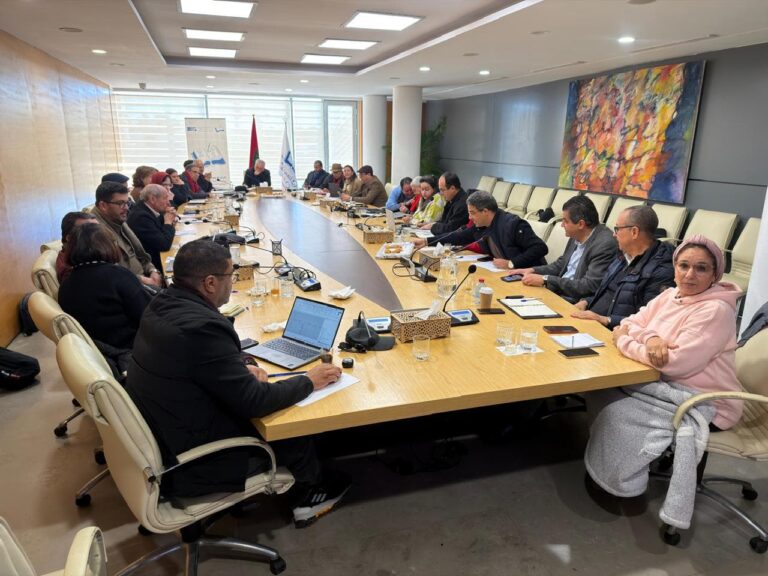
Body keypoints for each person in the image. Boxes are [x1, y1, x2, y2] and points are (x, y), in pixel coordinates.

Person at [126, 239, 351, 527]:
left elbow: (206, 359)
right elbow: (256, 401)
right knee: (290, 421)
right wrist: (309, 380)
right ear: (210, 283)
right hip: (197, 460)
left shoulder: (164, 303)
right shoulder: (201, 328)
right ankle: (310, 494)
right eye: (230, 275)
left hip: (167, 431)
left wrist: (242, 364)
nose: (232, 282)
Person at [584, 235, 743, 526]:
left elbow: (675, 363)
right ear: (674, 267)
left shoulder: (716, 310)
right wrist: (652, 338)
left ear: (715, 274)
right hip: (666, 383)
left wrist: (624, 341)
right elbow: (630, 322)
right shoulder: (670, 295)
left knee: (617, 413)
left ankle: (620, 485)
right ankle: (608, 470)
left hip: (706, 400)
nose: (690, 274)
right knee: (600, 390)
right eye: (683, 265)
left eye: (701, 268)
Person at [571, 205, 675, 328]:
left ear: (634, 232)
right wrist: (586, 302)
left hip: (615, 332)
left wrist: (606, 320)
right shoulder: (622, 255)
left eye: (617, 229)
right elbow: (607, 292)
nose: (614, 235)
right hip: (591, 322)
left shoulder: (662, 270)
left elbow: (648, 320)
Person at [58, 223, 151, 351]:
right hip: (135, 348)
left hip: (97, 352)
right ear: (107, 245)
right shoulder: (119, 276)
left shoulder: (65, 285)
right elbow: (149, 317)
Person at [509, 195, 616, 301]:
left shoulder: (604, 244)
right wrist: (532, 270)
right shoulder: (577, 234)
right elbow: (561, 264)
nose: (562, 225)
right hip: (557, 292)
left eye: (565, 221)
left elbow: (588, 286)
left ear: (580, 224)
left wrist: (546, 280)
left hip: (574, 301)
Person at [414, 190, 548, 268]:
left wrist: (511, 263)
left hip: (528, 275)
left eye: (472, 213)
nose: (470, 218)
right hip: (505, 273)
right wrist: (427, 241)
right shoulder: (482, 226)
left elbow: (540, 248)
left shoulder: (512, 224)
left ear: (485, 211)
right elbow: (459, 236)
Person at [91, 181, 162, 288]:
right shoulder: (93, 231)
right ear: (103, 205)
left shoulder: (117, 219)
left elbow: (141, 255)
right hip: (130, 287)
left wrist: (153, 270)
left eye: (127, 202)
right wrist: (143, 280)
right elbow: (110, 273)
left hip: (145, 280)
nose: (126, 208)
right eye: (121, 203)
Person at [126, 183, 177, 275]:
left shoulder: (148, 209)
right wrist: (168, 222)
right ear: (153, 199)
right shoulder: (141, 217)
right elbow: (164, 245)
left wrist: (167, 218)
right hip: (152, 266)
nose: (168, 202)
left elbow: (160, 228)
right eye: (165, 198)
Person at [55, 211, 97, 282]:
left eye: (98, 229)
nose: (99, 235)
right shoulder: (71, 271)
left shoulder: (86, 254)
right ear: (69, 238)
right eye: (89, 231)